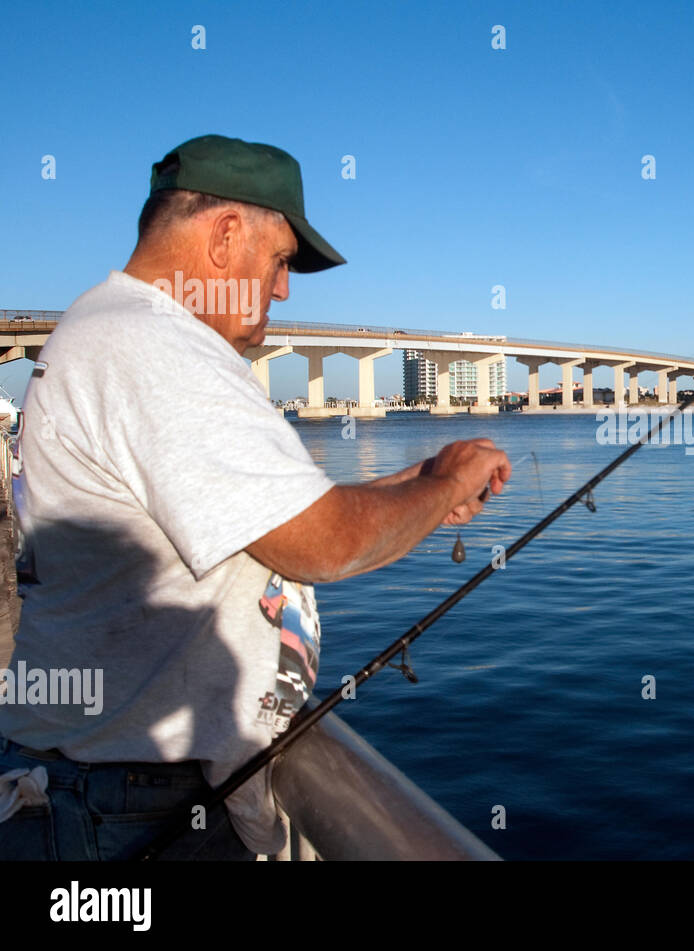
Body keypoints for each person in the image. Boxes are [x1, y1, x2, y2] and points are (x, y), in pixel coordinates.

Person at [0, 134, 510, 860]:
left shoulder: (118, 331)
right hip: (125, 810)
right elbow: (324, 542)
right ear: (225, 235)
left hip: (113, 790)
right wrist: (445, 485)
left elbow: (272, 514)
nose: (283, 289)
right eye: (278, 261)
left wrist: (417, 483)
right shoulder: (156, 350)